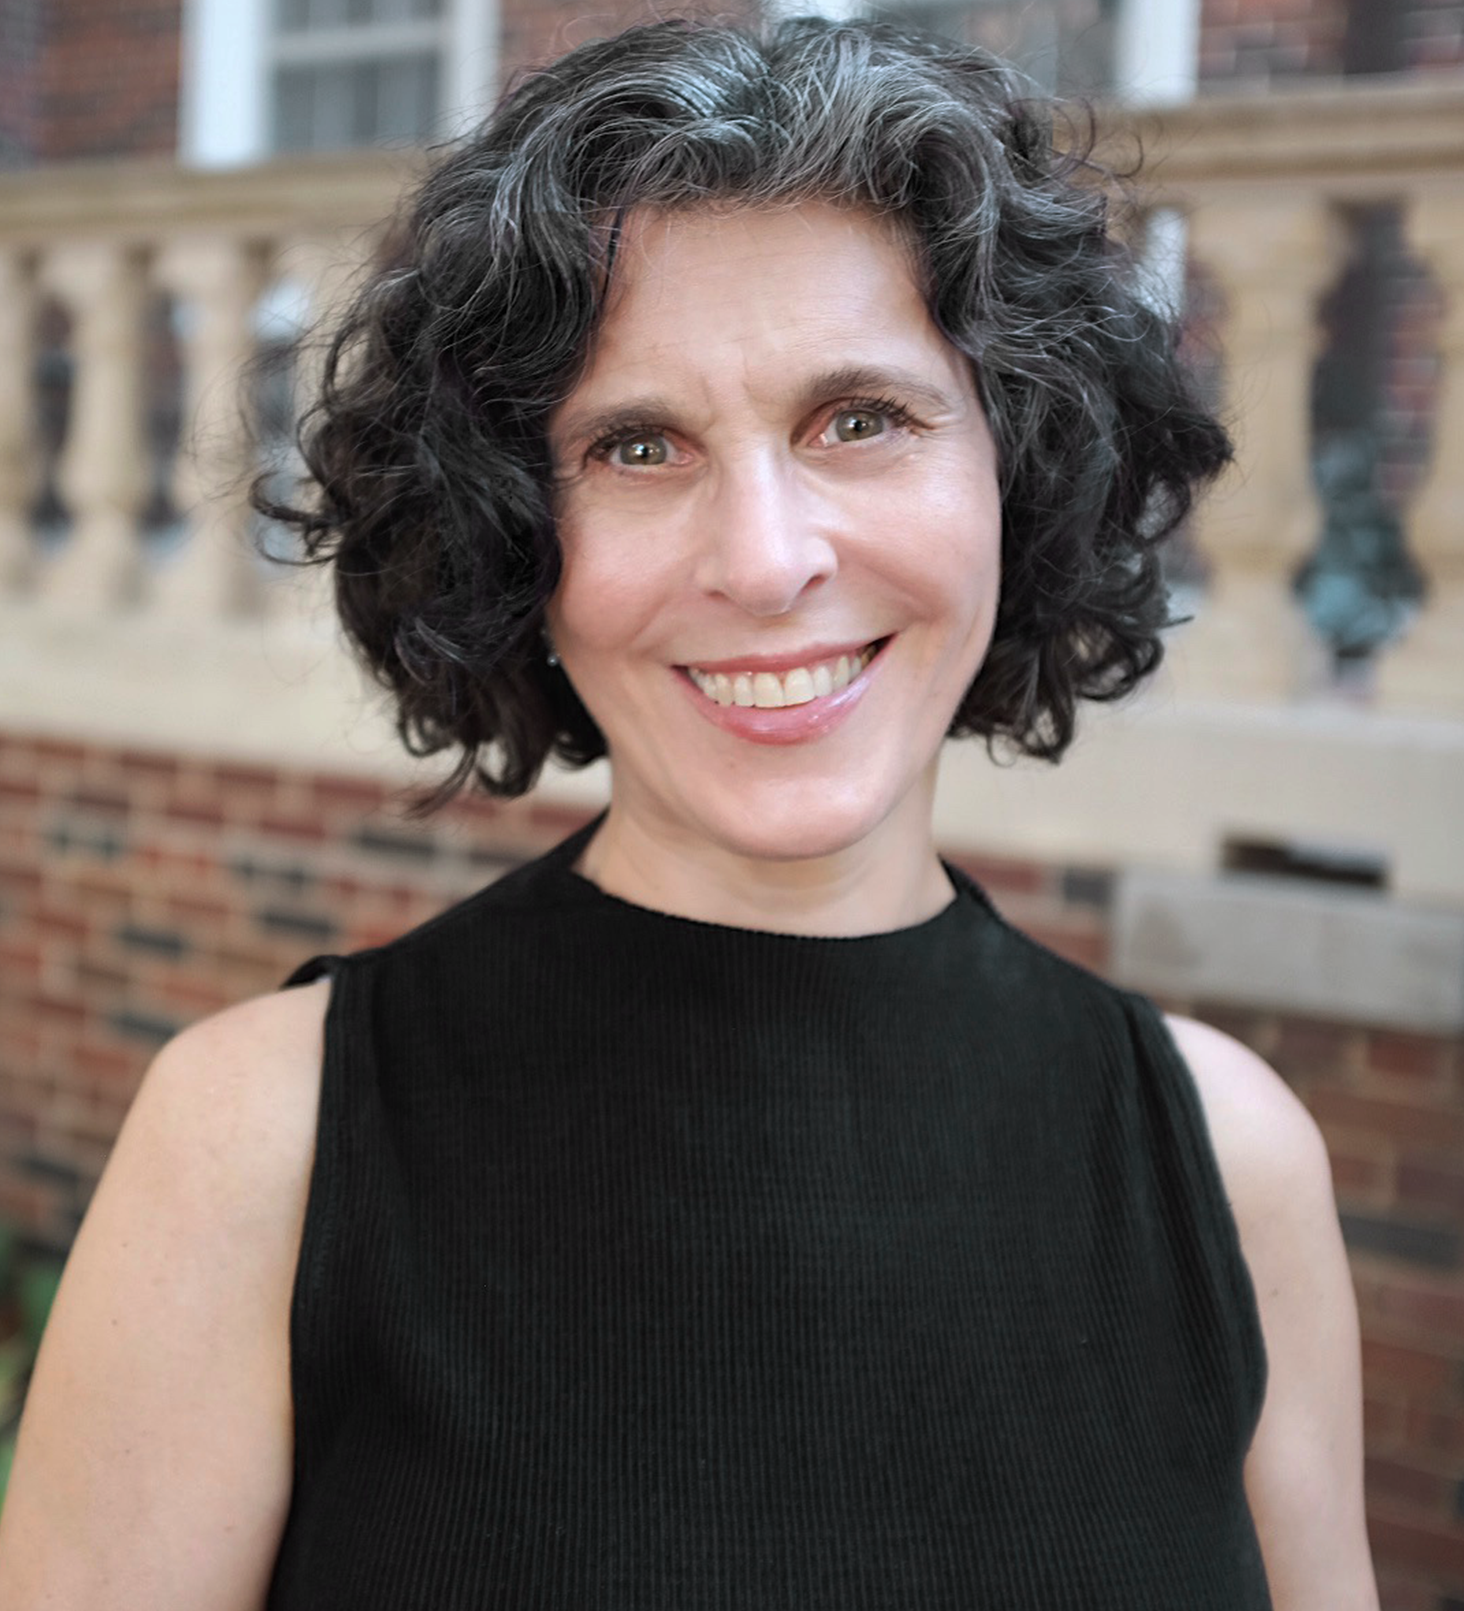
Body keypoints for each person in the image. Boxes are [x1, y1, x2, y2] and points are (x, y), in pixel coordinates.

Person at [0, 15, 1378, 1609]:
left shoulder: (1230, 1163)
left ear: (1019, 463)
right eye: (636, 444)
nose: (766, 560)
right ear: (510, 531)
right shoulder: (259, 1144)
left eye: (861, 417)